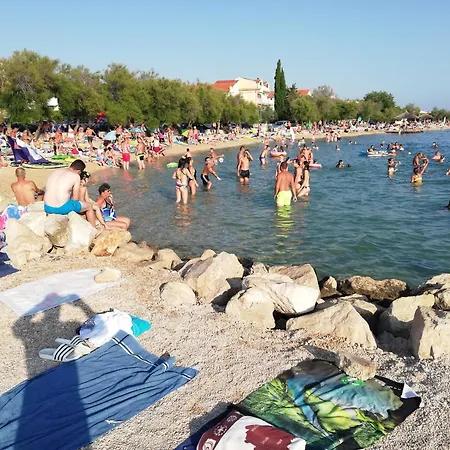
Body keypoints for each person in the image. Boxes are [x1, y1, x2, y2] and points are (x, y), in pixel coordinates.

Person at [44, 159, 96, 227]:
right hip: (60, 208)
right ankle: (93, 228)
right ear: (79, 171)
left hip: (47, 207)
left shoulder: (55, 171)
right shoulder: (76, 176)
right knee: (89, 206)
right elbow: (75, 199)